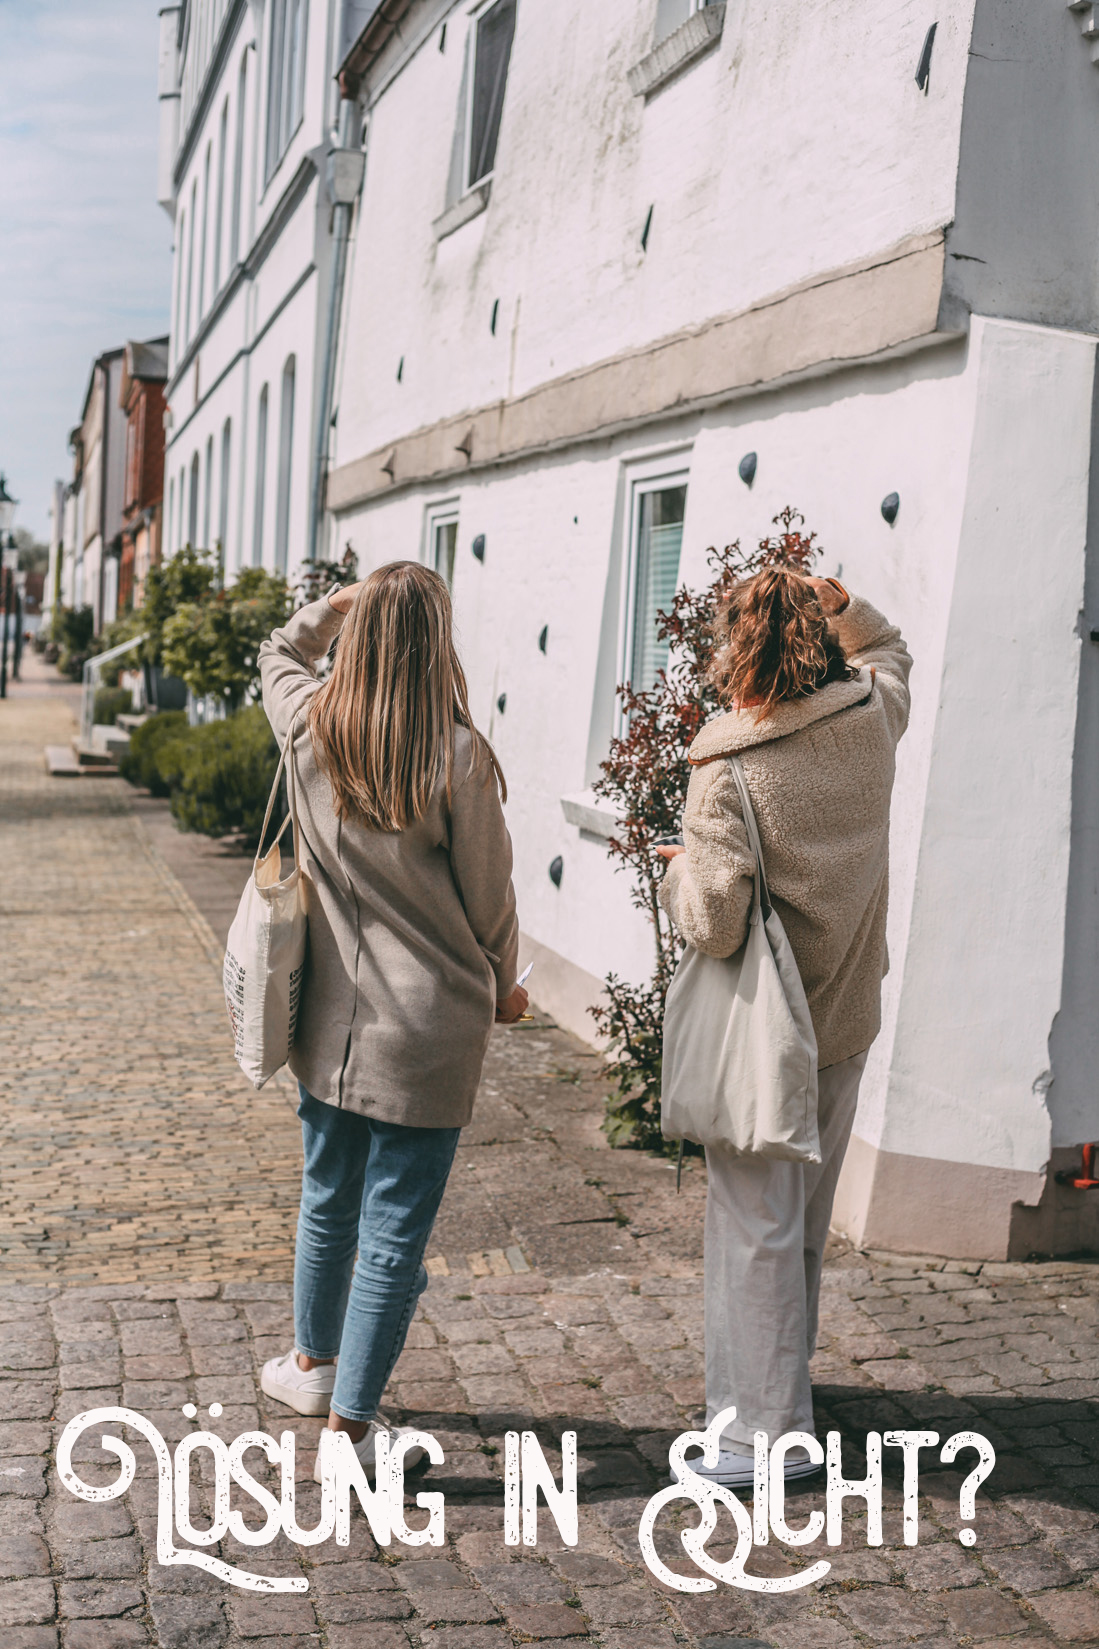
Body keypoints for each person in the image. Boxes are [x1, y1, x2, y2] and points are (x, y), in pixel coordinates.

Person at [256, 562, 528, 1475]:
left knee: (328, 1199)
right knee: (395, 1228)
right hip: (427, 1027)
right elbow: (489, 899)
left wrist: (329, 610)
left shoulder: (304, 724)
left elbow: (276, 652)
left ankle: (309, 1365)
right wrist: (506, 980)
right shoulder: (457, 754)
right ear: (434, 642)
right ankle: (351, 1434)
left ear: (363, 634)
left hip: (326, 1019)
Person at [656, 568, 912, 1486]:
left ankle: (763, 1436)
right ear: (817, 637)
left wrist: (682, 864)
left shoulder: (726, 765)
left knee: (753, 1228)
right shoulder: (870, 719)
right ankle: (779, 1393)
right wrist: (850, 608)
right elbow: (890, 653)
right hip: (845, 1011)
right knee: (800, 1221)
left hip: (769, 1032)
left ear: (735, 646)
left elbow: (715, 921)